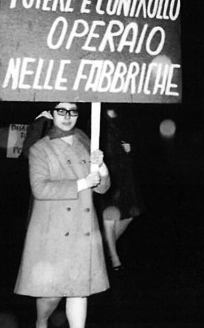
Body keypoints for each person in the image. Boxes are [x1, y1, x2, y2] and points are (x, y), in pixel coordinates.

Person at [14, 102, 111, 328]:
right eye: (61, 111)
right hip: (53, 230)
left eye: (73, 111)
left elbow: (102, 188)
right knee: (51, 293)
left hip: (82, 227)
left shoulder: (86, 142)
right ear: (52, 114)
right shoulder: (40, 149)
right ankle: (41, 321)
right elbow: (40, 189)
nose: (67, 116)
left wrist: (102, 167)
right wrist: (81, 183)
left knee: (79, 291)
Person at [98, 106, 145, 272]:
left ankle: (102, 248)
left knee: (128, 215)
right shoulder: (97, 120)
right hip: (107, 173)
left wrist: (128, 148)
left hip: (124, 175)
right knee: (110, 217)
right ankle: (114, 257)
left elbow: (131, 142)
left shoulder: (123, 117)